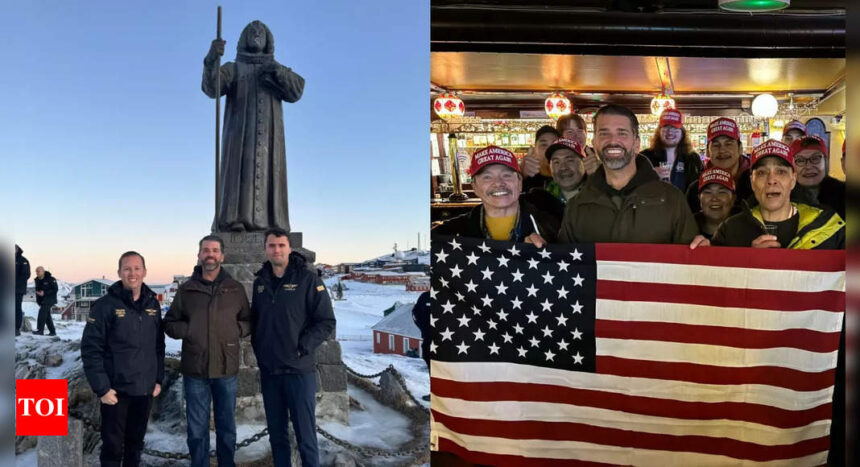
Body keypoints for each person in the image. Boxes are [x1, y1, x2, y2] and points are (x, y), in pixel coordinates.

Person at [203, 21, 305, 232]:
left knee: (269, 172)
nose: (256, 34)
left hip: (269, 136)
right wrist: (212, 58)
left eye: (261, 32)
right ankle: (233, 221)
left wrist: (277, 71)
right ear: (243, 39)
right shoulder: (233, 68)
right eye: (252, 32)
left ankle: (272, 223)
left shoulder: (276, 68)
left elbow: (296, 91)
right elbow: (212, 88)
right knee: (239, 171)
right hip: (239, 134)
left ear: (268, 39)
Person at [163, 235, 251, 467]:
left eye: (214, 250)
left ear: (222, 256)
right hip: (195, 371)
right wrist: (189, 329)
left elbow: (248, 321)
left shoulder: (235, 289)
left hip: (226, 369)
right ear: (199, 255)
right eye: (205, 250)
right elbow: (170, 323)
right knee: (196, 430)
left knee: (227, 428)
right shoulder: (187, 290)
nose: (210, 254)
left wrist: (236, 329)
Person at [251, 228, 336, 467]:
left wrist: (303, 347)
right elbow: (257, 321)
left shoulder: (308, 279)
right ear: (266, 249)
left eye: (281, 245)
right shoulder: (260, 283)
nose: (276, 250)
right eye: (271, 245)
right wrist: (260, 351)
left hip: (299, 371)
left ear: (289, 248)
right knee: (277, 437)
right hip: (270, 372)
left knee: (305, 436)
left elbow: (326, 321)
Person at [558, 104, 700, 245]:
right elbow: (561, 261)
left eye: (622, 133)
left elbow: (691, 262)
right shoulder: (577, 205)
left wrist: (704, 251)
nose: (613, 141)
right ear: (594, 143)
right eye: (604, 133)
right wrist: (536, 248)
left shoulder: (672, 200)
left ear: (636, 144)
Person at [81, 252, 164, 467]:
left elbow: (158, 346)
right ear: (119, 272)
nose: (132, 273)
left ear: (144, 271)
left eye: (137, 268)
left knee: (135, 445)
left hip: (144, 390)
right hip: (115, 392)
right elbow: (91, 349)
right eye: (127, 268)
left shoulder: (152, 305)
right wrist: (102, 389)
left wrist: (158, 380)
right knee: (112, 447)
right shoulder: (104, 306)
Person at [712, 139, 844, 249]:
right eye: (762, 173)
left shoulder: (830, 228)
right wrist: (749, 260)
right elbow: (714, 276)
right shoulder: (729, 230)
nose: (771, 180)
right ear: (752, 182)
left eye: (780, 172)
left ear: (793, 180)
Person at [432, 145, 559, 244]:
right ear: (474, 187)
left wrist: (547, 250)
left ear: (520, 182)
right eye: (487, 177)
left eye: (506, 175)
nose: (498, 183)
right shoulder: (451, 234)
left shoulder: (552, 224)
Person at [685, 117, 753, 212]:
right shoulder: (696, 187)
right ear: (708, 152)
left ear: (740, 148)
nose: (722, 150)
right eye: (716, 145)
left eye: (728, 144)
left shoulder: (755, 183)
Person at [521, 137, 587, 224]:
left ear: (584, 163)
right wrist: (521, 175)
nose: (563, 167)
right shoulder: (536, 201)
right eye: (556, 162)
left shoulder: (600, 195)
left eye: (570, 160)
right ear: (550, 168)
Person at [640, 108, 703, 191]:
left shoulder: (693, 158)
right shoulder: (644, 157)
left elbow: (701, 188)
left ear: (682, 132)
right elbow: (631, 185)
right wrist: (650, 175)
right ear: (659, 131)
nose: (670, 132)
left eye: (674, 127)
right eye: (665, 127)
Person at [789, 135, 845, 218]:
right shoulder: (783, 198)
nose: (808, 166)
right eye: (800, 160)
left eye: (815, 158)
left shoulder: (843, 194)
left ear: (826, 162)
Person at [694, 168, 736, 239]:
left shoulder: (747, 231)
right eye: (708, 192)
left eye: (722, 192)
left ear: (733, 199)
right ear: (699, 198)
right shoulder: (685, 227)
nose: (714, 198)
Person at [521, 125, 560, 191]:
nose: (549, 149)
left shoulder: (569, 178)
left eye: (554, 144)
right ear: (534, 149)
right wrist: (521, 175)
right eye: (544, 145)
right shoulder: (525, 181)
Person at [33, 266, 57, 336]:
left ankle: (40, 330)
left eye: (38, 271)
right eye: (36, 271)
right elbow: (38, 290)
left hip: (50, 299)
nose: (37, 273)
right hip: (42, 301)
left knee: (42, 312)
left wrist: (45, 293)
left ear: (43, 271)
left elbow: (55, 289)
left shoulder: (51, 279)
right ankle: (52, 332)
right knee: (47, 316)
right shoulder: (37, 280)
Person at [15, 245, 30, 336]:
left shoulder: (23, 260)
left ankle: (16, 329)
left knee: (16, 308)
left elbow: (26, 274)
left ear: (17, 249)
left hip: (17, 289)